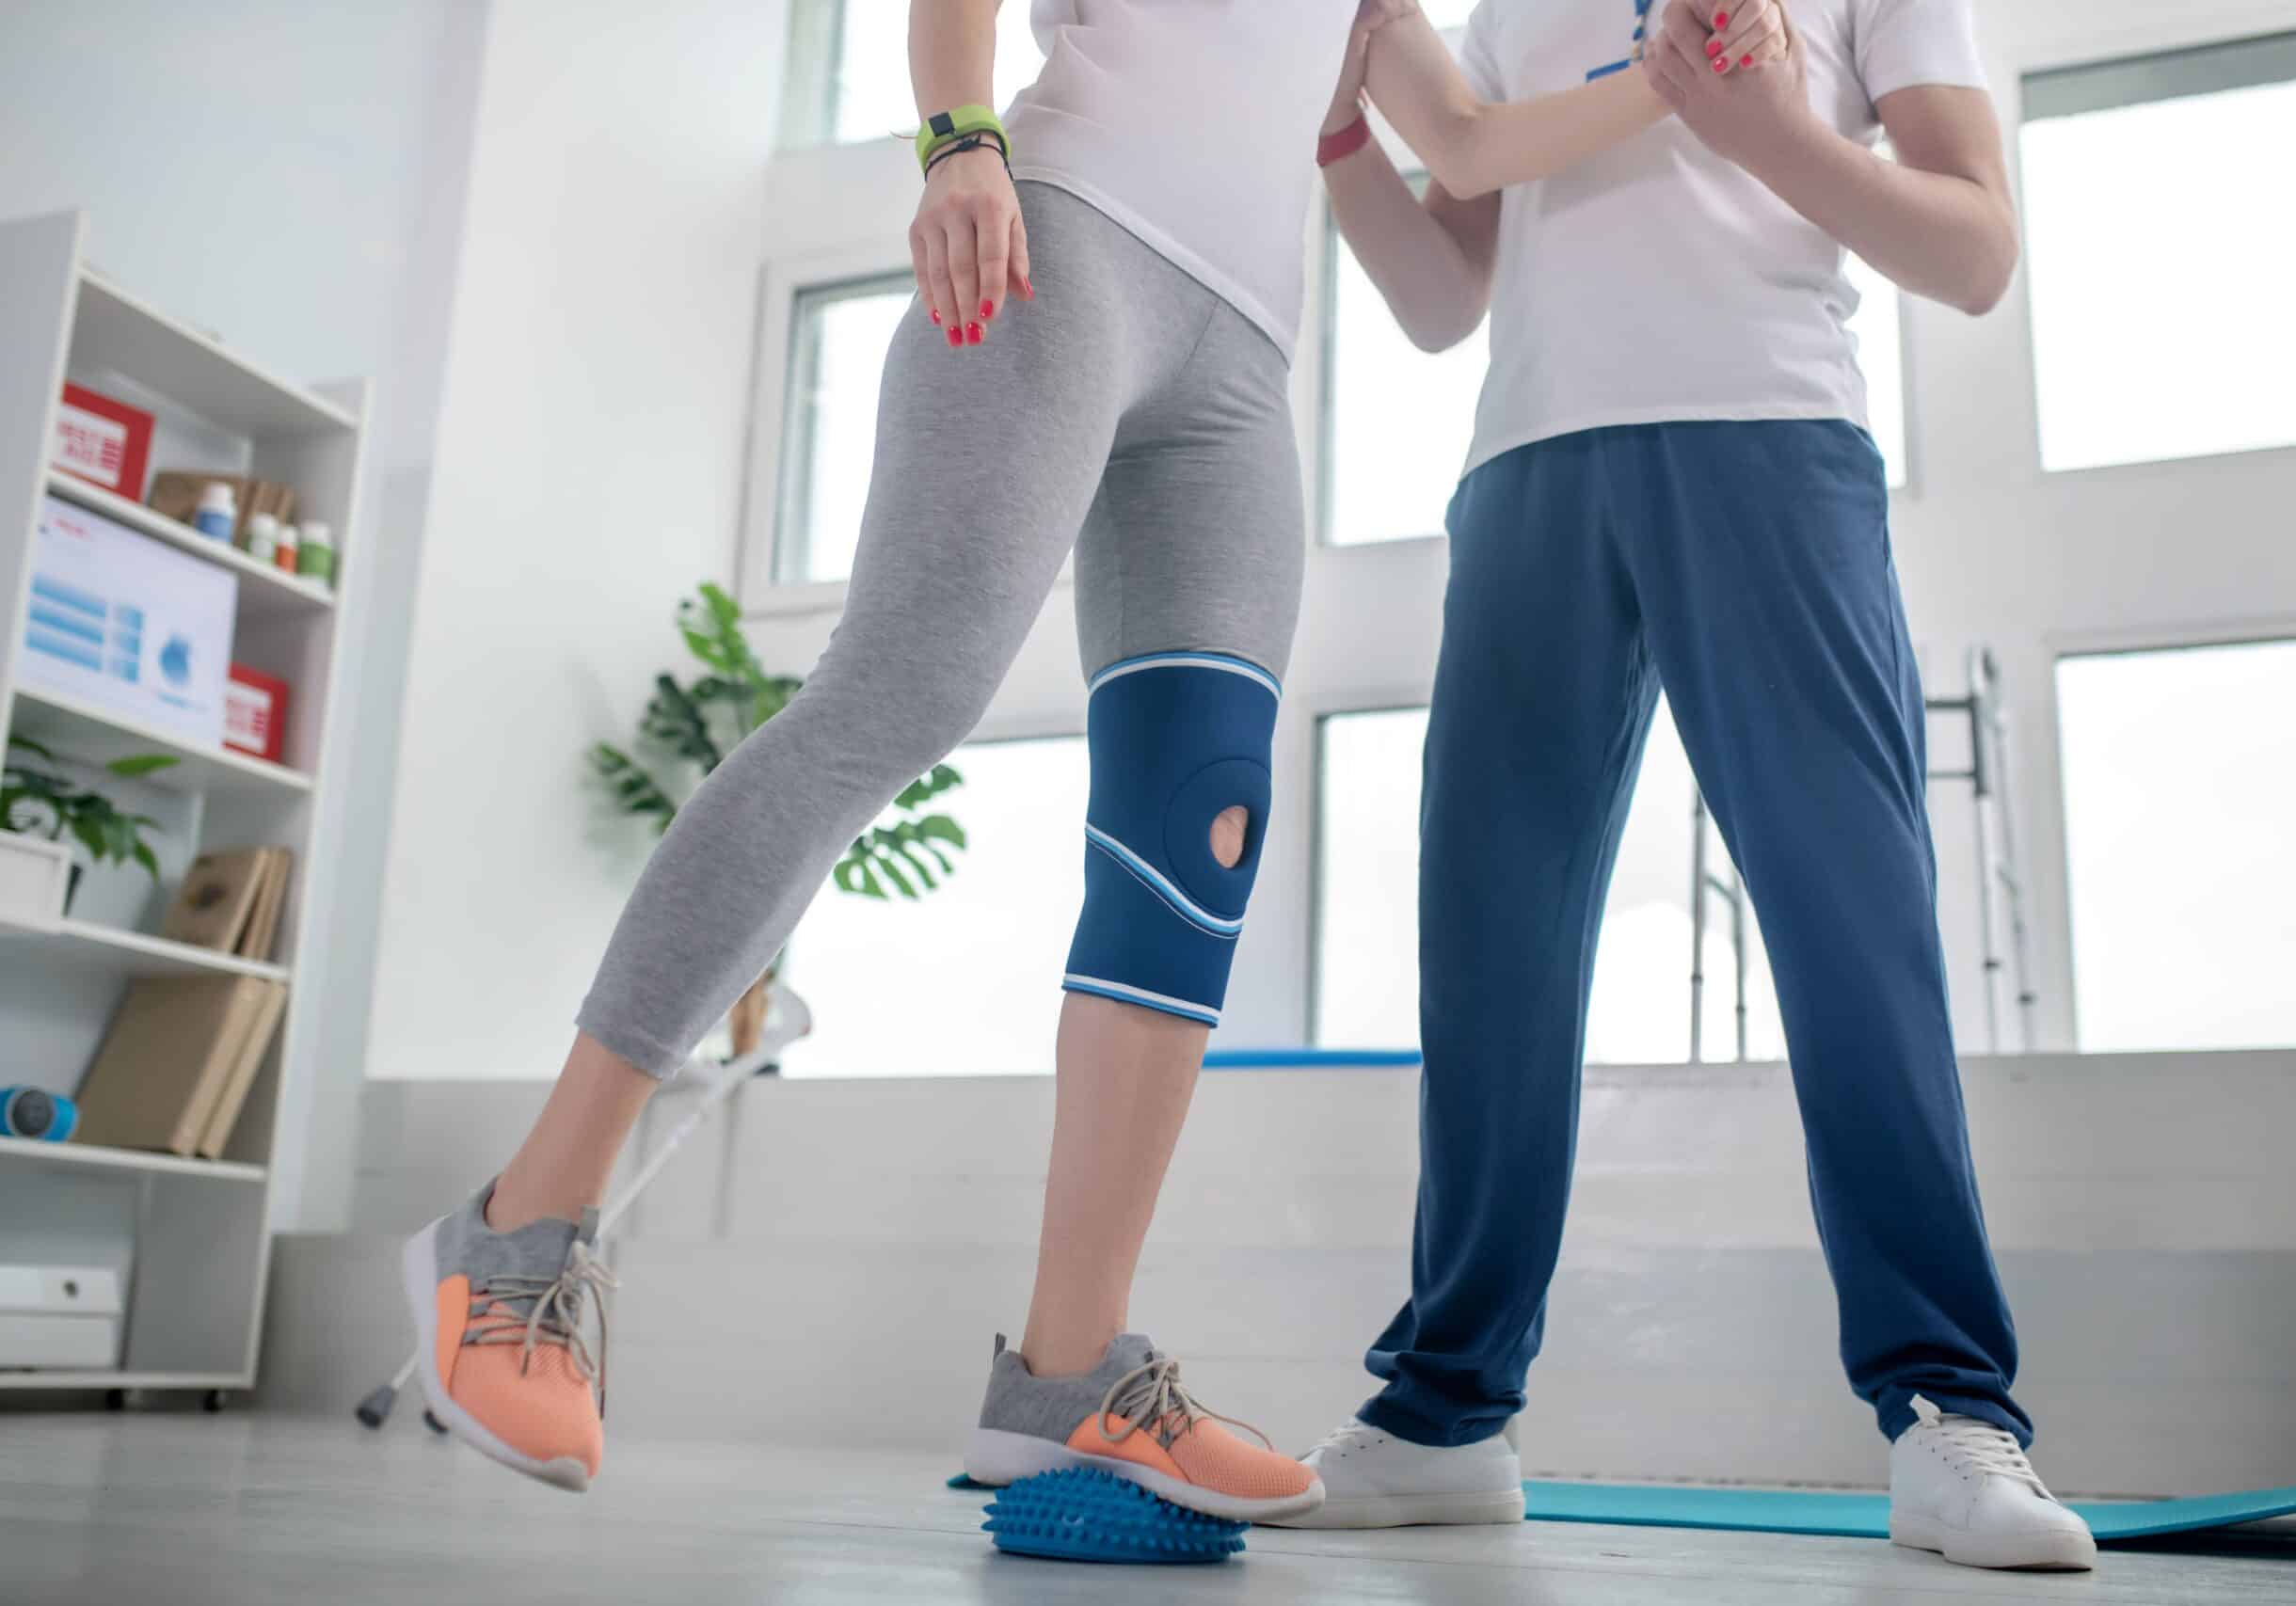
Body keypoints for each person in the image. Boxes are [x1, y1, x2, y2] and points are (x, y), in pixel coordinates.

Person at [392, 0, 1766, 1520]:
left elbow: (1464, 139)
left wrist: (1674, 79)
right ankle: (519, 1226)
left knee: (1203, 816)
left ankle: (1066, 1374)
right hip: (1060, 242)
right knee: (893, 698)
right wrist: (957, 143)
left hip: (1239, 366)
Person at [1279, 0, 2101, 1573]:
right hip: (1528, 467)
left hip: (1771, 438)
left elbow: (1975, 252)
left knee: (1853, 935)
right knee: (1491, 955)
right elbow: (1444, 301)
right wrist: (1338, 141)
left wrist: (1769, 133)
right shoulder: (1508, 10)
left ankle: (1947, 1406)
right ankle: (1444, 1417)